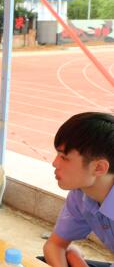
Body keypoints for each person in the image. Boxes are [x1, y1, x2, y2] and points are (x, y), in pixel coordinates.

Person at [42, 112, 114, 267]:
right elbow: (55, 245)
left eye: (64, 158)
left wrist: (75, 258)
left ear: (99, 167)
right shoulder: (81, 193)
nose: (54, 163)